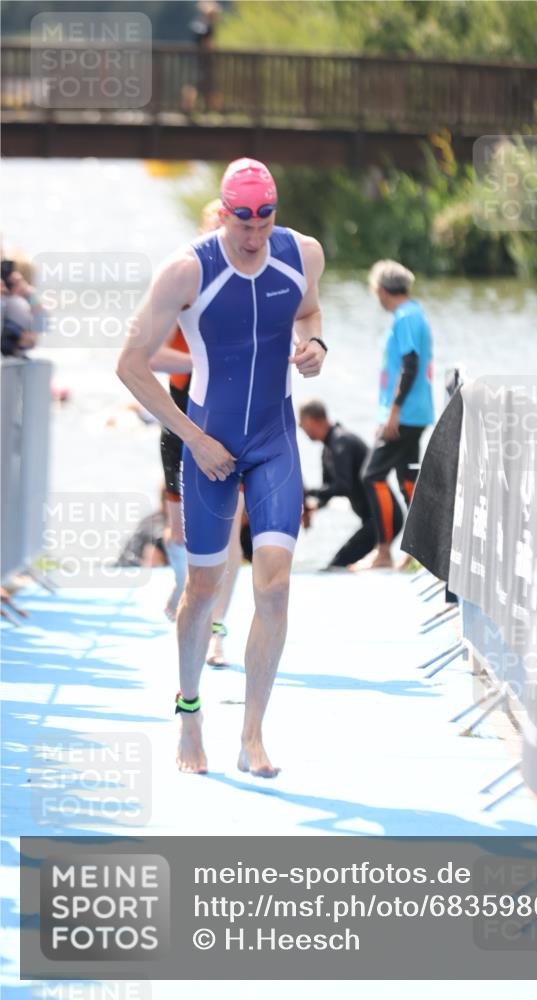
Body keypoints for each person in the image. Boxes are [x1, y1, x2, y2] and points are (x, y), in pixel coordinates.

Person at [117, 157, 326, 777]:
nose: (255, 232)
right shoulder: (186, 270)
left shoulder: (303, 255)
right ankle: (189, 714)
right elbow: (129, 362)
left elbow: (309, 312)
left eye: (265, 218)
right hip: (207, 445)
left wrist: (315, 344)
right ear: (224, 211)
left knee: (276, 586)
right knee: (202, 590)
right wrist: (192, 440)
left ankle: (253, 736)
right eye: (243, 220)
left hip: (274, 440)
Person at [154, 198, 245, 669]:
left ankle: (216, 630)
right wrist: (199, 361)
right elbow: (147, 356)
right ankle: (185, 588)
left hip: (236, 425)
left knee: (230, 531)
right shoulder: (182, 283)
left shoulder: (255, 283)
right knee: (182, 530)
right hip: (183, 422)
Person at [355, 259, 435, 571]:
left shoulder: (406, 318)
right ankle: (421, 547)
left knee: (372, 475)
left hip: (406, 414)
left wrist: (394, 413)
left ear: (381, 289)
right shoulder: (413, 313)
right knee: (407, 478)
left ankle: (384, 550)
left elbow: (411, 364)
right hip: (410, 414)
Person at [299, 399, 401, 569]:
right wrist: (313, 506)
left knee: (337, 565)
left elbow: (342, 486)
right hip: (371, 521)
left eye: (302, 424)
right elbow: (329, 490)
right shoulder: (327, 449)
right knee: (340, 564)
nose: (302, 429)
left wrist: (308, 492)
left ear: (311, 420)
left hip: (385, 518)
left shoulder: (341, 442)